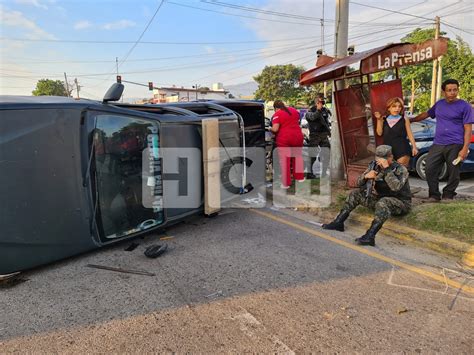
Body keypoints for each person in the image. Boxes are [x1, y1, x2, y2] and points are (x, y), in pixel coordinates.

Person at [322, 145, 411, 246]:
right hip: (380, 199)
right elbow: (358, 183)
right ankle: (339, 222)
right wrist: (366, 176)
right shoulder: (374, 166)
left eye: (384, 159)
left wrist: (387, 170)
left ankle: (370, 236)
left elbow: (396, 187)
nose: (381, 161)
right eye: (378, 158)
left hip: (400, 203)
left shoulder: (400, 169)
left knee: (383, 202)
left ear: (391, 157)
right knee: (355, 194)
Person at [411, 79, 473, 201]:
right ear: (443, 91)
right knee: (429, 168)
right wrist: (411, 120)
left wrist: (465, 148)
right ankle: (434, 195)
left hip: (456, 143)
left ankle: (448, 194)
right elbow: (426, 114)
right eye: (449, 90)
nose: (452, 92)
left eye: (455, 90)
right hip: (438, 143)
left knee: (453, 172)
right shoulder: (439, 104)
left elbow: (468, 129)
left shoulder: (465, 106)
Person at [269, 100, 305, 188]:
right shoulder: (294, 110)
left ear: (275, 108)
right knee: (297, 157)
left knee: (285, 160)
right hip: (298, 136)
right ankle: (300, 178)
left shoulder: (277, 114)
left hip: (285, 138)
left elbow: (275, 129)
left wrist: (269, 128)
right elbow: (297, 121)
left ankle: (286, 183)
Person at [374, 97, 417, 167]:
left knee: (401, 173)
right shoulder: (383, 118)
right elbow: (379, 133)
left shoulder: (404, 119)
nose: (397, 109)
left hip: (402, 149)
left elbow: (409, 133)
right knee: (388, 173)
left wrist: (414, 147)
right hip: (387, 151)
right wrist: (378, 119)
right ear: (389, 108)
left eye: (399, 106)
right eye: (394, 106)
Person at [304, 94, 331, 178]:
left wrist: (328, 130)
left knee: (326, 153)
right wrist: (318, 111)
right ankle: (309, 173)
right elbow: (312, 117)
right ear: (316, 102)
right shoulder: (311, 110)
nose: (322, 103)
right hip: (314, 135)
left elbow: (326, 121)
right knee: (312, 155)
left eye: (323, 101)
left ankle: (323, 173)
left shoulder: (325, 110)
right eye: (320, 101)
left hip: (323, 135)